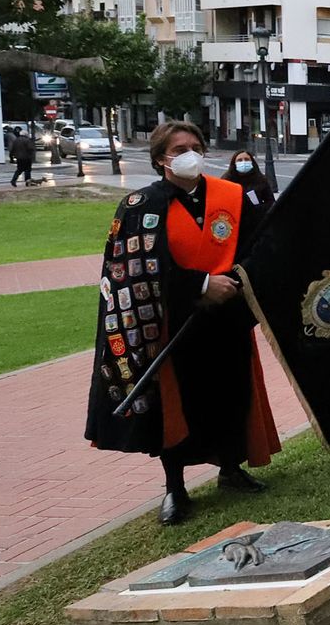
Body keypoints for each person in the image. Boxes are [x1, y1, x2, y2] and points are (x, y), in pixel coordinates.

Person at [83, 120, 280, 525]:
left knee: (232, 394)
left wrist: (235, 280)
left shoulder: (231, 196)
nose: (191, 154)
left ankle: (230, 468)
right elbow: (135, 270)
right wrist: (201, 284)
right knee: (177, 407)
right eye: (180, 149)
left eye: (196, 145)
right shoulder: (141, 206)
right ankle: (175, 487)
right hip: (173, 323)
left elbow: (259, 246)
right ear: (161, 159)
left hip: (227, 318)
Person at [222, 149, 274, 219]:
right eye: (240, 160)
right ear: (234, 163)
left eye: (246, 159)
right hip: (234, 219)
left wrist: (258, 208)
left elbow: (270, 202)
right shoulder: (226, 180)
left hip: (256, 219)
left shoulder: (261, 179)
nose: (243, 162)